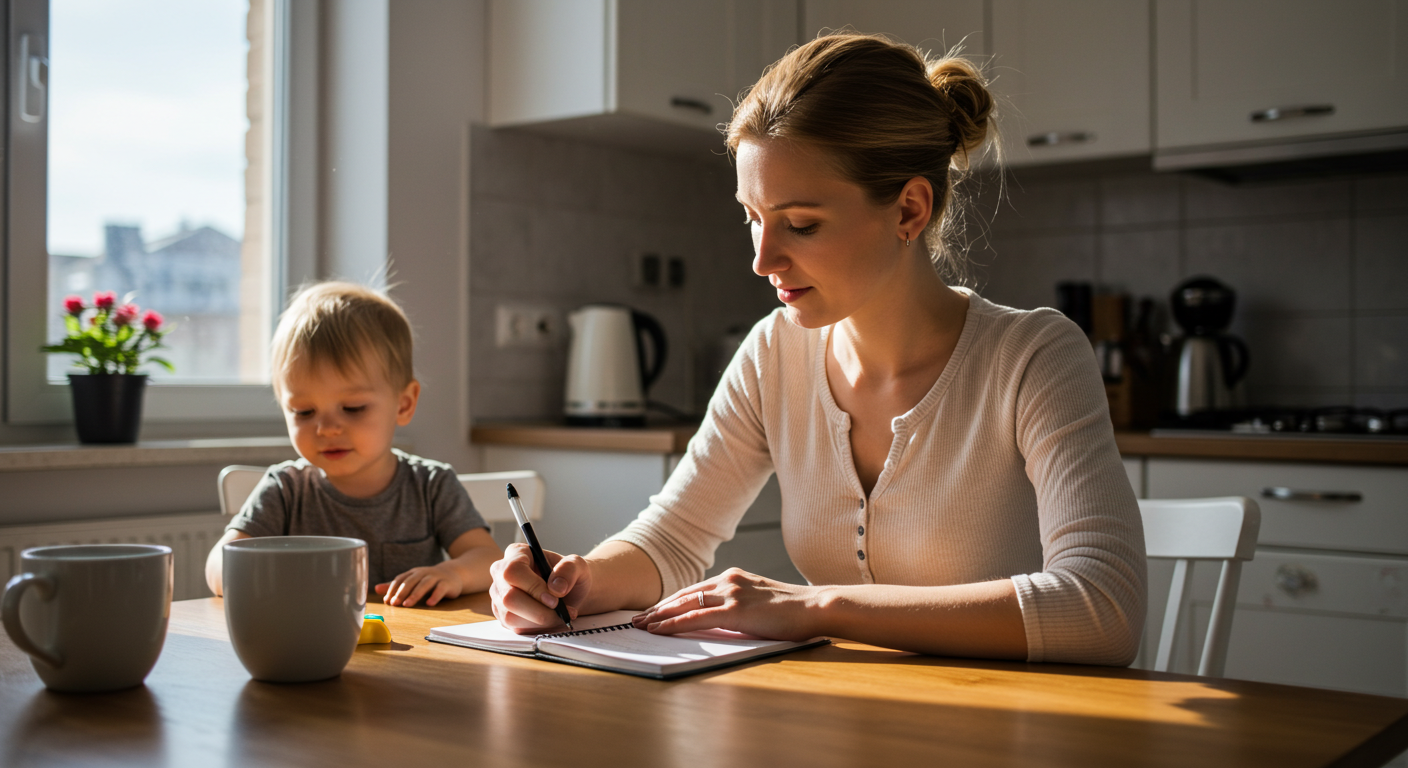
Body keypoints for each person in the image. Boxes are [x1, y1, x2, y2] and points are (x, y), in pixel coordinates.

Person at [489, 33, 1147, 665]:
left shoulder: (1032, 358)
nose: (762, 259)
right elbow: (674, 539)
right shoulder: (773, 354)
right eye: (753, 217)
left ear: (909, 211)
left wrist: (819, 606)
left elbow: (1105, 608)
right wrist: (573, 582)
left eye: (801, 224)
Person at [205, 282, 501, 607]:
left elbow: (487, 558)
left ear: (403, 404)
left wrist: (453, 573)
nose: (327, 429)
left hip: (410, 649)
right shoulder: (285, 490)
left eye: (353, 408)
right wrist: (266, 573)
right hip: (313, 647)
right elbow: (218, 565)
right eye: (304, 412)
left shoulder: (431, 485)